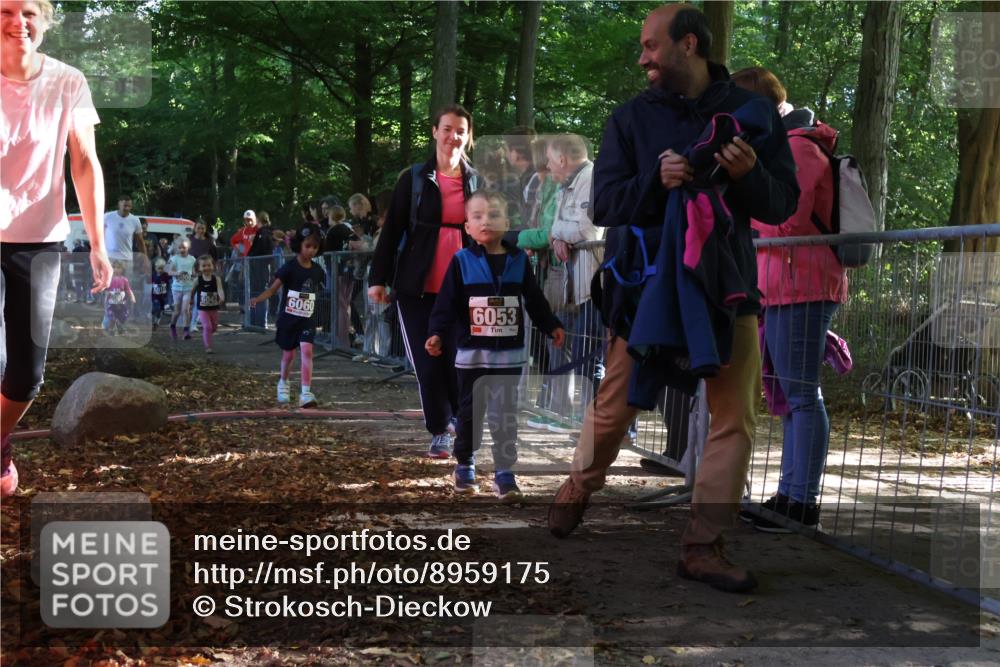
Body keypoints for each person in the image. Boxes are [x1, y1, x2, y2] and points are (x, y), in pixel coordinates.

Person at [547, 4, 799, 593]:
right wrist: (654, 183)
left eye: (650, 47)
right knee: (615, 407)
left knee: (734, 417)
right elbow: (606, 206)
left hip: (728, 285)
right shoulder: (630, 119)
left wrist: (748, 175)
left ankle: (703, 546)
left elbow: (780, 204)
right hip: (647, 289)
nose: (643, 59)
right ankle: (580, 485)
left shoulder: (750, 113)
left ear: (689, 44)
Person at [1, 0, 112, 498]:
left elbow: (84, 161)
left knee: (26, 375)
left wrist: (98, 245)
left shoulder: (67, 80)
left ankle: (0, 437)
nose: (17, 23)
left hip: (41, 238)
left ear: (43, 20)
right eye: (4, 11)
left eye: (27, 12)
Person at [731, 66, 848, 532]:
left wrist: (740, 214)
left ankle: (802, 502)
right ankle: (788, 496)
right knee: (791, 397)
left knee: (801, 395)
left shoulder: (800, 146)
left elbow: (787, 223)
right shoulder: (786, 144)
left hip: (805, 286)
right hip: (782, 287)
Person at [426, 191, 564, 498]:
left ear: (508, 223)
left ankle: (505, 471)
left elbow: (535, 300)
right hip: (472, 355)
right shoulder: (461, 261)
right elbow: (446, 304)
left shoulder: (518, 260)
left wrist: (550, 324)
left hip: (509, 357)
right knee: (470, 412)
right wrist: (436, 332)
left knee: (505, 415)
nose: (485, 221)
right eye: (477, 216)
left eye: (493, 215)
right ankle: (465, 464)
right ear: (467, 228)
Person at [369, 104, 481, 458]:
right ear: (435, 132)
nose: (454, 137)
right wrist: (378, 279)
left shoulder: (477, 181)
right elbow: (392, 232)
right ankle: (439, 430)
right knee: (428, 362)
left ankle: (461, 422)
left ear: (469, 136)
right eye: (447, 129)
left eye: (461, 130)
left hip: (464, 288)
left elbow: (489, 229)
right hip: (417, 286)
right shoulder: (414, 178)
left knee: (460, 361)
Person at [544, 134, 604, 431]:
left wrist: (558, 233)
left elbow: (588, 231)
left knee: (591, 356)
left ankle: (597, 422)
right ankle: (585, 419)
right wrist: (557, 236)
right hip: (573, 286)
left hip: (595, 285)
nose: (547, 165)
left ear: (563, 160)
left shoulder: (592, 179)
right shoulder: (564, 187)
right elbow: (554, 229)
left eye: (549, 159)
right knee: (577, 351)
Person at [250, 223, 327, 409]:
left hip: (307, 319)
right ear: (299, 244)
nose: (311, 250)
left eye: (315, 247)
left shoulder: (318, 271)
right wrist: (258, 299)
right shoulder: (289, 268)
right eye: (307, 245)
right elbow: (273, 288)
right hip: (288, 319)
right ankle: (283, 383)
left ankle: (306, 392)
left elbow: (319, 293)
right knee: (288, 355)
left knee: (307, 351)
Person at [190, 254, 224, 354]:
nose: (206, 268)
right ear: (199, 268)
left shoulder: (216, 279)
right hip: (202, 308)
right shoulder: (198, 280)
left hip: (214, 307)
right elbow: (192, 291)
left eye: (209, 265)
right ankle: (208, 346)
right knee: (207, 327)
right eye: (204, 266)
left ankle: (207, 333)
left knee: (213, 327)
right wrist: (191, 299)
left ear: (213, 266)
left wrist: (221, 297)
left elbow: (220, 290)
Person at [166, 237, 196, 340]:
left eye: (184, 247)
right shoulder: (174, 259)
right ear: (177, 248)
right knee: (177, 311)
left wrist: (193, 275)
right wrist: (177, 273)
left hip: (188, 287)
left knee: (185, 310)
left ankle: (186, 331)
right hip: (177, 288)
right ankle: (172, 326)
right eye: (179, 248)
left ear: (188, 247)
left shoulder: (192, 259)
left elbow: (194, 271)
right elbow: (168, 271)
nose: (182, 250)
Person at [101, 260, 135, 335]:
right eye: (114, 267)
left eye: (118, 267)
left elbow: (128, 289)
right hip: (111, 303)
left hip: (121, 303)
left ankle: (119, 326)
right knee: (112, 317)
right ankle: (111, 330)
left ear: (122, 269)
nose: (116, 269)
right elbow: (104, 288)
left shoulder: (124, 280)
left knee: (122, 316)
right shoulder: (109, 279)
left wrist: (132, 297)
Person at [150, 257, 170, 330]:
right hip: (155, 296)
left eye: (162, 268)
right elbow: (150, 283)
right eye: (159, 268)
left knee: (161, 310)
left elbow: (168, 284)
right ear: (156, 268)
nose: (161, 270)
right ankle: (152, 317)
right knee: (157, 307)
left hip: (163, 296)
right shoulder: (153, 275)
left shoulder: (166, 275)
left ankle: (156, 322)